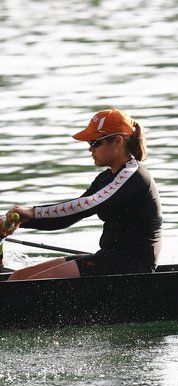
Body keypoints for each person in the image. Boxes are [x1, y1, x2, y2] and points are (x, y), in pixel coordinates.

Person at [2, 109, 162, 280]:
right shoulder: (106, 178)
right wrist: (16, 222)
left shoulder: (133, 176)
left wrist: (33, 212)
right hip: (109, 258)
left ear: (118, 141)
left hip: (132, 265)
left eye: (95, 143)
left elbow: (83, 206)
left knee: (26, 284)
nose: (89, 149)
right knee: (17, 278)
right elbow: (68, 217)